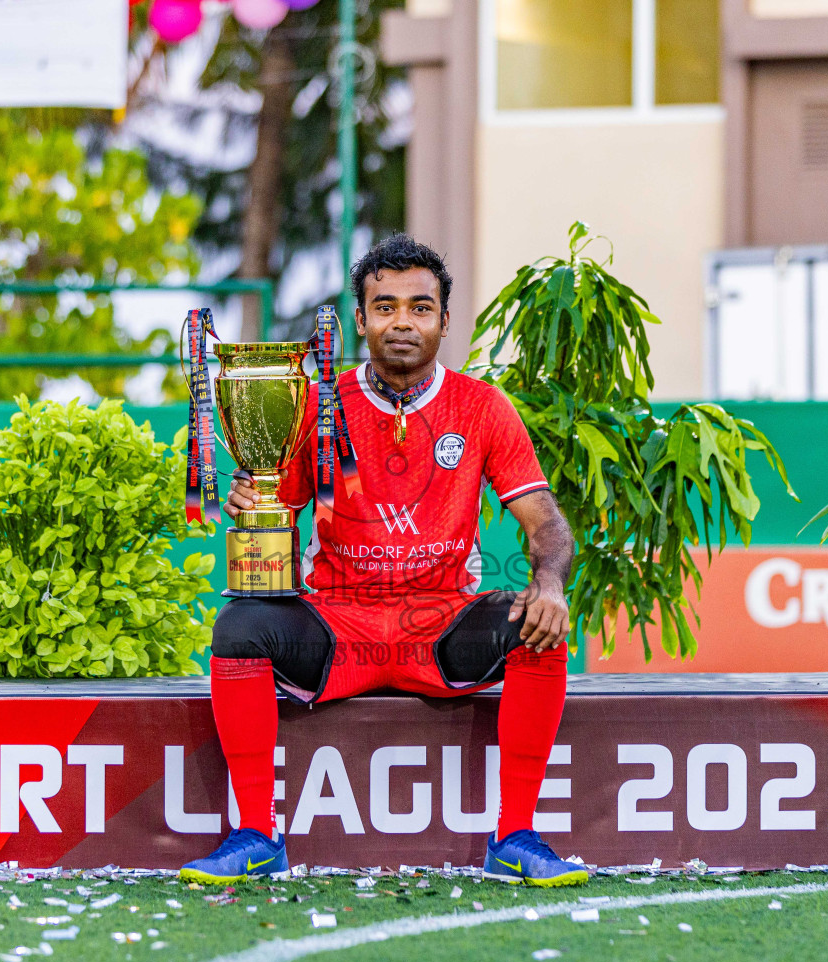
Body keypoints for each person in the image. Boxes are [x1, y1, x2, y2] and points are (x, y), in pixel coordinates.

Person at [180, 235, 584, 887]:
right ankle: (257, 835)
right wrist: (253, 499)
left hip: (442, 627)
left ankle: (514, 837)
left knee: (540, 625)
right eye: (385, 306)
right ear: (361, 319)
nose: (402, 321)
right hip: (338, 628)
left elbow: (548, 523)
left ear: (444, 321)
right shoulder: (314, 404)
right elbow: (278, 513)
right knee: (239, 627)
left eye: (420, 308)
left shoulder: (482, 407)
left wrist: (549, 584)